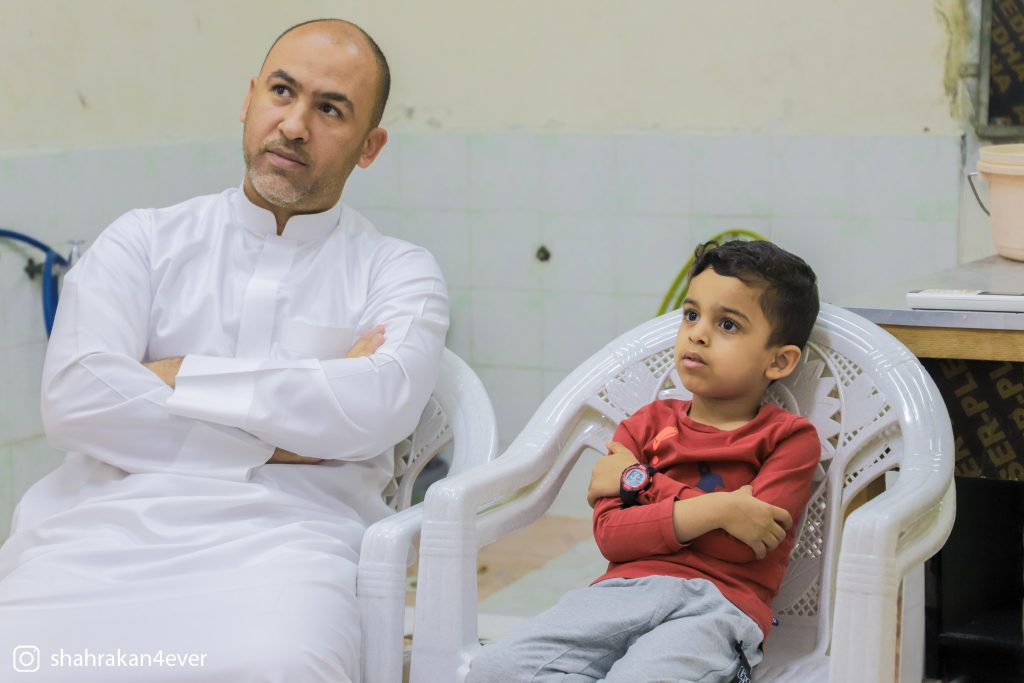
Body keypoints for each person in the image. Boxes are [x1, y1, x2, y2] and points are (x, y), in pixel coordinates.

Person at [0, 18, 447, 683]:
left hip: (289, 550)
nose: (294, 125)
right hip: (96, 532)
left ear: (369, 147)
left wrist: (174, 375)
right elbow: (74, 398)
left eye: (330, 109)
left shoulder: (398, 271)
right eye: (282, 92)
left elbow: (379, 406)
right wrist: (295, 427)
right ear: (249, 99)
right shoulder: (142, 241)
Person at [467, 240, 821, 683]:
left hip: (718, 607)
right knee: (494, 669)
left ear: (779, 361)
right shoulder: (644, 425)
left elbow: (744, 547)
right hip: (622, 591)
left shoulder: (789, 439)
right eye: (691, 314)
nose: (698, 333)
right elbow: (613, 537)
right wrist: (720, 509)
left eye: (728, 324)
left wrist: (638, 482)